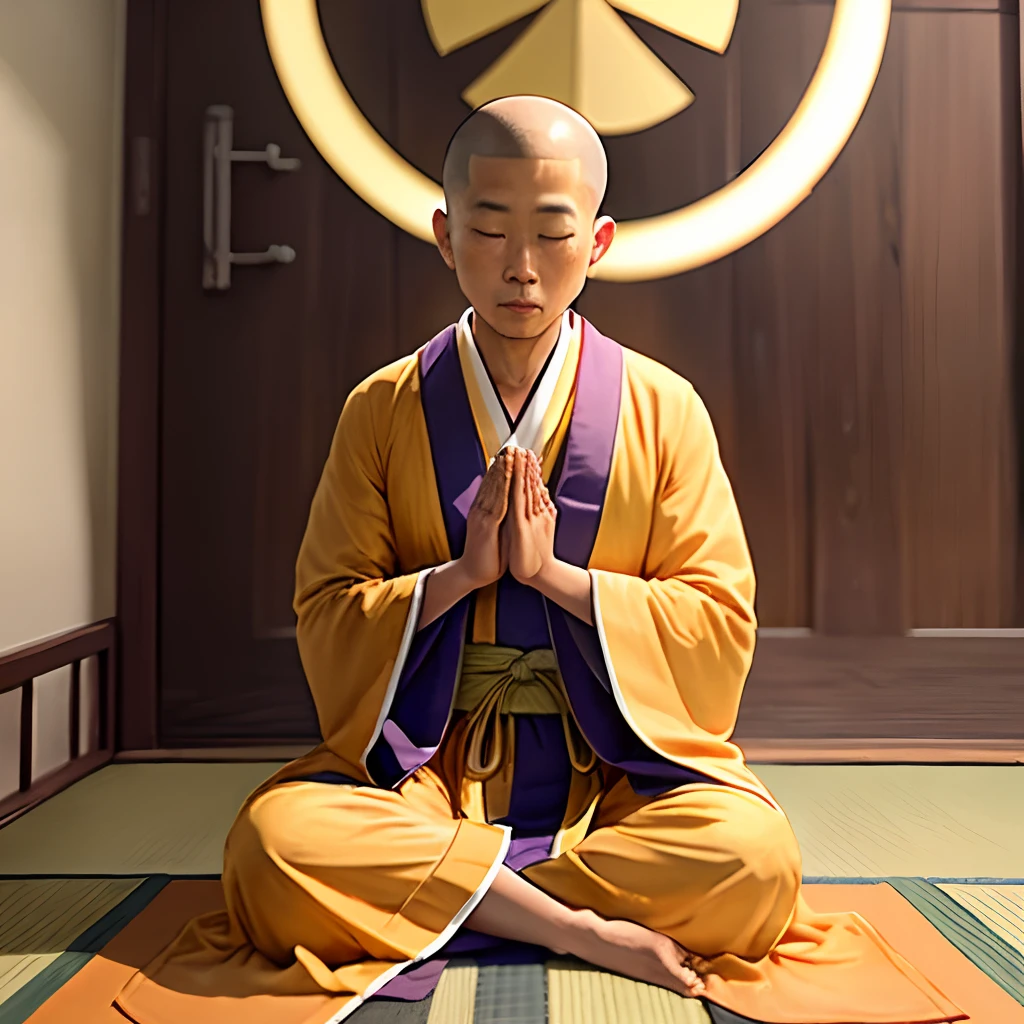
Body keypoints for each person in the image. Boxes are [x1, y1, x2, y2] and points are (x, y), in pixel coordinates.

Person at [115, 95, 963, 1024]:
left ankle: (453, 901)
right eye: (488, 231)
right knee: (274, 847)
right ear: (444, 236)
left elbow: (720, 620)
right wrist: (461, 578)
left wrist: (559, 579)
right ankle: (575, 925)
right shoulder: (381, 409)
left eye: (553, 235)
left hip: (616, 780)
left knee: (751, 862)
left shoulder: (664, 407)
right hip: (425, 775)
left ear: (597, 243)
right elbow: (328, 608)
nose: (521, 268)